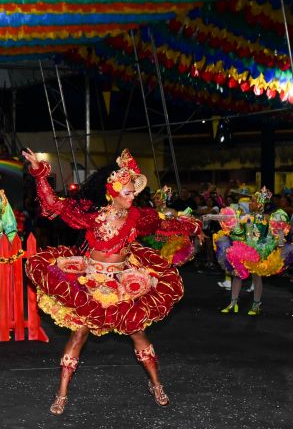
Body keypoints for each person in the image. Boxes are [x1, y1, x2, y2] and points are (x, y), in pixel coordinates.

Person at [23, 148, 184, 414]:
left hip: (123, 282)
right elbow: (55, 205)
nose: (133, 197)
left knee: (137, 332)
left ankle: (156, 384)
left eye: (134, 192)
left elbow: (161, 225)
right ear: (114, 192)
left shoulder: (138, 218)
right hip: (91, 281)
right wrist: (40, 174)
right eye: (128, 192)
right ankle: (61, 393)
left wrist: (187, 224)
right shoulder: (94, 216)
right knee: (78, 336)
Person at [211, 187, 293, 315]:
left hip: (260, 250)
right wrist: (211, 216)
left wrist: (281, 240)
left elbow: (279, 230)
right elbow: (229, 219)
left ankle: (256, 305)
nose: (250, 203)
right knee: (238, 274)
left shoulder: (268, 218)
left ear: (260, 204)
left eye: (253, 201)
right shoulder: (246, 217)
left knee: (256, 276)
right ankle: (233, 303)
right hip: (244, 250)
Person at [138, 186, 203, 267]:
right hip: (156, 238)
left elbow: (183, 219)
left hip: (171, 238)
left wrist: (195, 226)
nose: (155, 200)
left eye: (158, 198)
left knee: (167, 261)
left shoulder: (171, 211)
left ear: (164, 199)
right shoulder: (153, 211)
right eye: (154, 199)